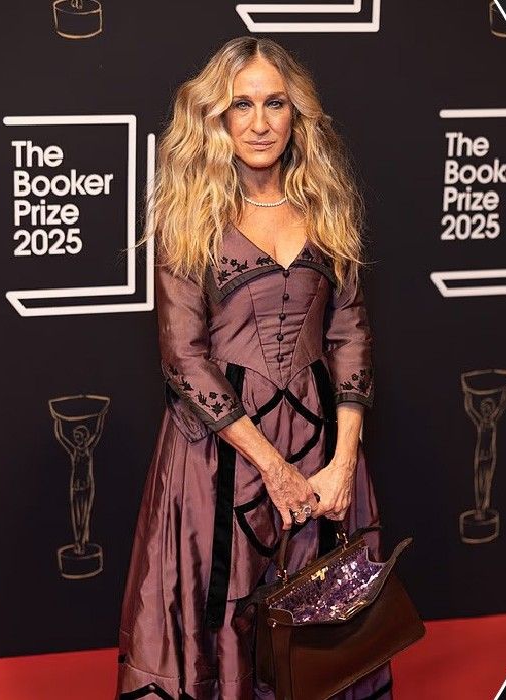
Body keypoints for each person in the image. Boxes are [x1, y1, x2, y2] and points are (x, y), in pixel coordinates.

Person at [117, 37, 390, 699]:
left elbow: (350, 336)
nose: (260, 122)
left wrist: (343, 461)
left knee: (320, 630)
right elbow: (183, 359)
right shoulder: (188, 218)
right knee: (222, 617)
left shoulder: (327, 209)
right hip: (219, 458)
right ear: (217, 117)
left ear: (297, 114)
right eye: (242, 105)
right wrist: (272, 466)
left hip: (322, 452)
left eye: (275, 104)